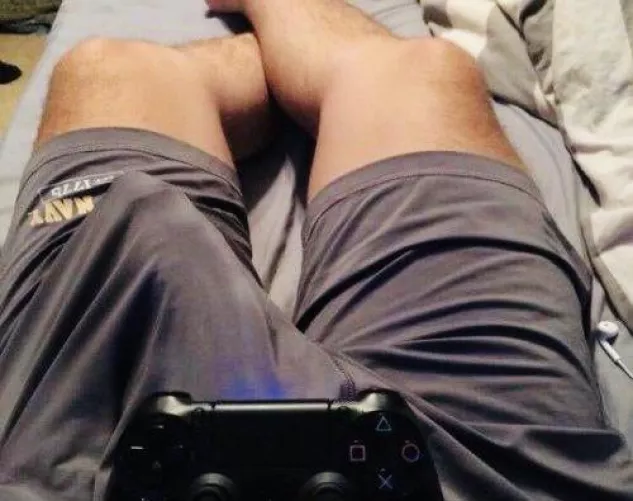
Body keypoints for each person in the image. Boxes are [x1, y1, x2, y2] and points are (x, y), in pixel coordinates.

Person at [0, 0, 632, 499]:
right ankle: (291, 39)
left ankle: (273, 58)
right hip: (491, 471)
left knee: (109, 69)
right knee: (421, 71)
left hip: (73, 458)